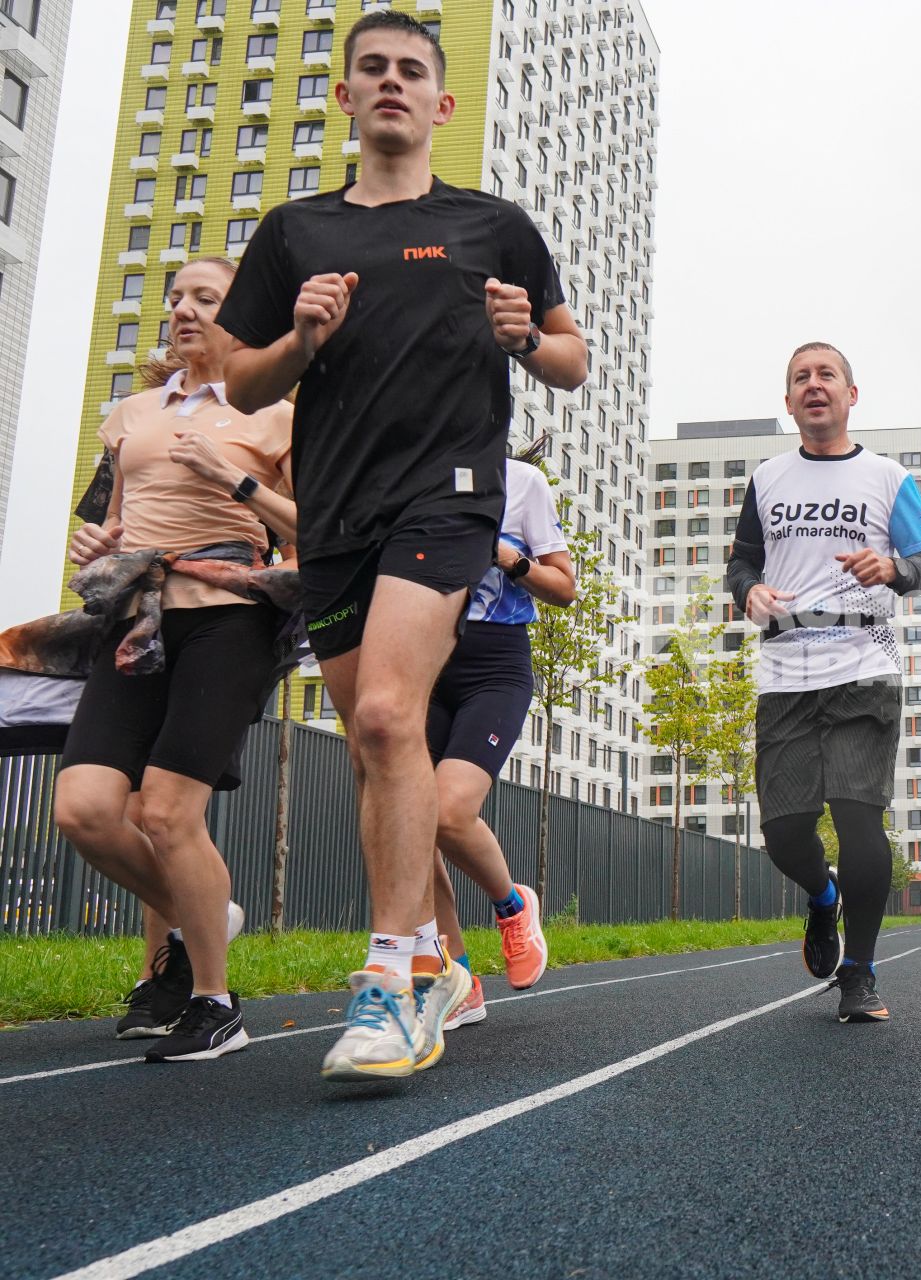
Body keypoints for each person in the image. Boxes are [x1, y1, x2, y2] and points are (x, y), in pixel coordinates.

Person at [217, 11, 589, 1081]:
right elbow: (242, 382)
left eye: (410, 70)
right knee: (378, 744)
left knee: (387, 713)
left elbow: (571, 360)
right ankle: (440, 955)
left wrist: (526, 336)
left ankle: (393, 973)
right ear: (343, 96)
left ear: (441, 102)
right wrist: (301, 337)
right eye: (370, 68)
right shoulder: (294, 232)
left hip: (452, 494)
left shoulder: (493, 224)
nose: (390, 81)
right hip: (336, 508)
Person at [52, 256, 298, 1062]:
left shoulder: (279, 416)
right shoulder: (127, 415)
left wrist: (230, 480)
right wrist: (100, 543)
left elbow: (315, 533)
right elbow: (114, 521)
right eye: (176, 298)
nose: (182, 310)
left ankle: (213, 1000)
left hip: (230, 622)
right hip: (137, 619)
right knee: (86, 808)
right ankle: (206, 916)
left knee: (164, 811)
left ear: (244, 319)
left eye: (206, 298)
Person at [724, 342, 921, 1023]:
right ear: (788, 402)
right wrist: (749, 592)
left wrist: (893, 571)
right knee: (785, 833)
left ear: (851, 395)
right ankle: (822, 899)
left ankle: (859, 971)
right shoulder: (767, 479)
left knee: (858, 816)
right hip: (786, 670)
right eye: (800, 378)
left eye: (826, 375)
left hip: (863, 661)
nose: (813, 385)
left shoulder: (885, 477)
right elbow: (741, 564)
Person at [418, 448, 576, 1033]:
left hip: (494, 665)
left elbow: (564, 587)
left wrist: (507, 558)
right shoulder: (408, 472)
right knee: (412, 830)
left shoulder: (523, 481)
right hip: (419, 660)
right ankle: (458, 981)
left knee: (450, 811)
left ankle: (512, 906)